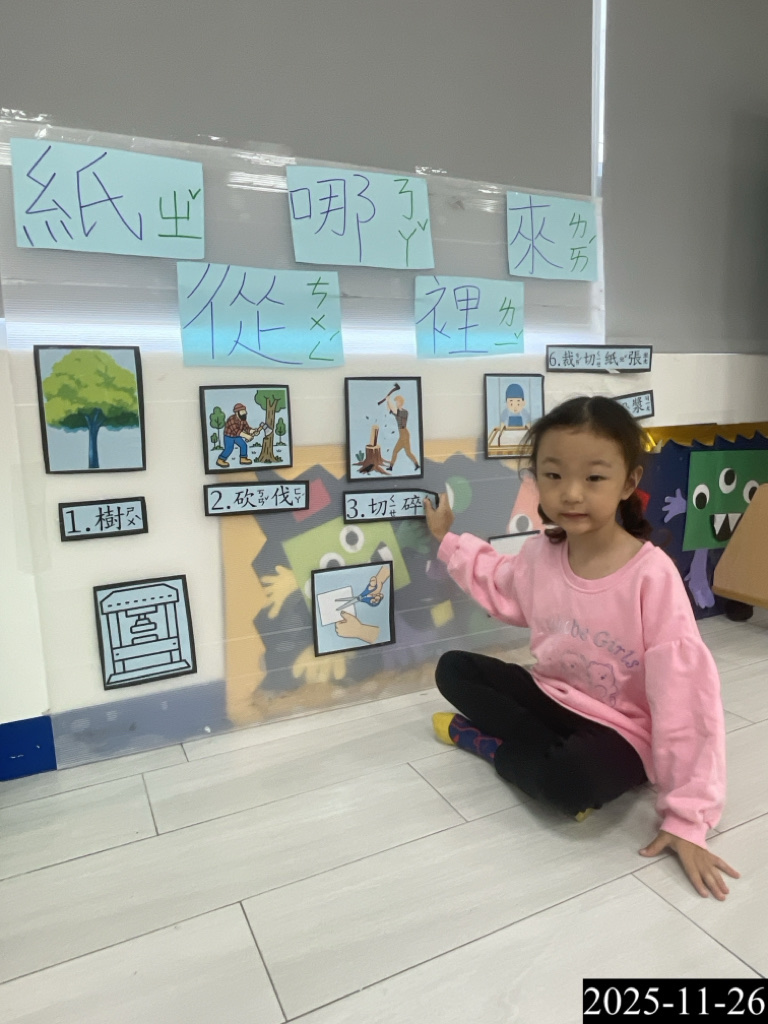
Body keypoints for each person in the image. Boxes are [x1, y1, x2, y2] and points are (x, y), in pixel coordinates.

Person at [423, 395, 739, 901]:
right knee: (453, 669)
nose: (571, 493)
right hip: (552, 694)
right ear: (537, 479)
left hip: (622, 730)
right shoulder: (539, 555)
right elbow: (498, 580)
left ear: (628, 482)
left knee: (571, 782)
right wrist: (448, 541)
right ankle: (534, 746)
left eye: (594, 477)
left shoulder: (651, 577)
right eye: (553, 475)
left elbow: (686, 699)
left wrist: (688, 819)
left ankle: (489, 744)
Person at [217, 403, 260, 468]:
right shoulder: (232, 419)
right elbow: (237, 431)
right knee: (229, 448)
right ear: (237, 412)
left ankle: (243, 459)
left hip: (237, 436)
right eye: (242, 411)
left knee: (243, 445)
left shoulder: (243, 419)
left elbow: (247, 428)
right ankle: (220, 460)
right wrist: (246, 436)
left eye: (244, 411)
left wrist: (253, 431)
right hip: (229, 436)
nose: (245, 412)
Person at [386, 393, 420, 472]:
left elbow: (393, 409)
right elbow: (389, 409)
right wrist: (387, 401)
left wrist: (389, 400)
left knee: (397, 451)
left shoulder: (404, 412)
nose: (396, 403)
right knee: (407, 452)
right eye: (396, 402)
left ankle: (391, 467)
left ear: (401, 402)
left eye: (397, 402)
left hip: (404, 434)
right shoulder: (397, 412)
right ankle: (417, 465)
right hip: (403, 434)